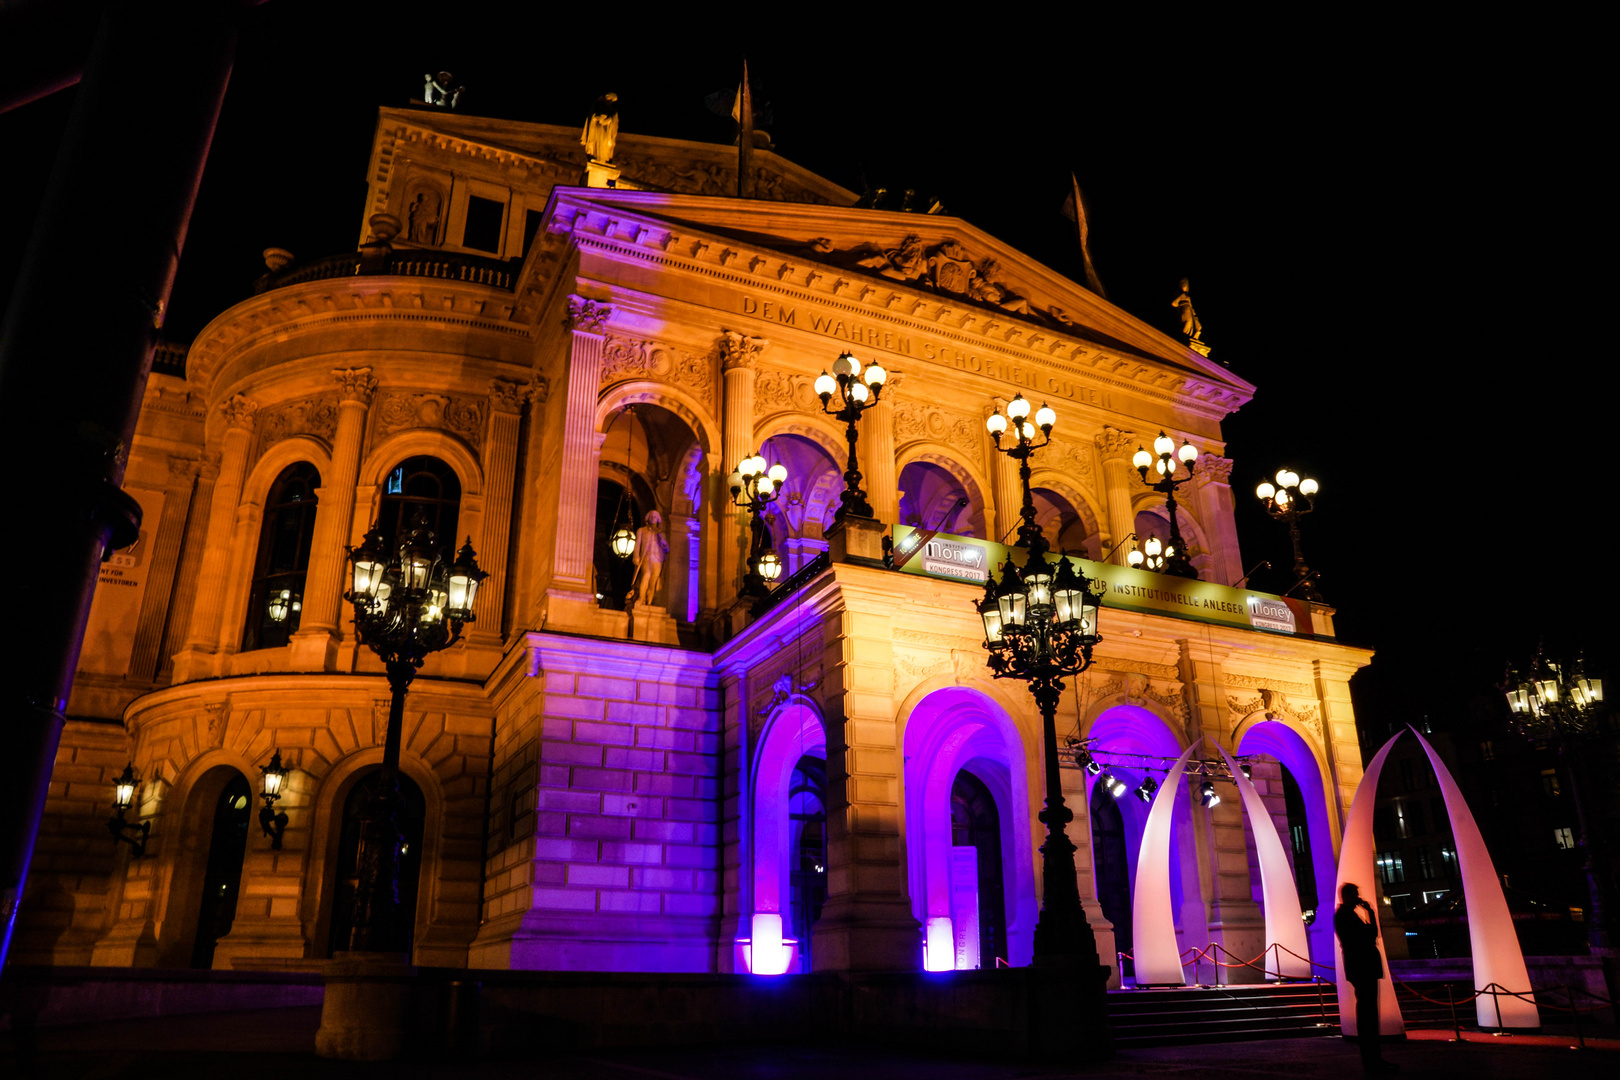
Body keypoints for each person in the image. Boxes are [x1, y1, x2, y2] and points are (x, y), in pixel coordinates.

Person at [1335, 882, 1398, 1073]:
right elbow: (1371, 935)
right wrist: (1370, 912)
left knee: (1369, 1013)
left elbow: (1370, 935)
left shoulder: (1346, 915)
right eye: (1355, 893)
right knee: (1367, 1014)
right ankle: (1372, 1060)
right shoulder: (1345, 915)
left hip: (1362, 968)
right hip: (1362, 968)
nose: (1358, 897)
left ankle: (1374, 1058)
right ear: (1347, 896)